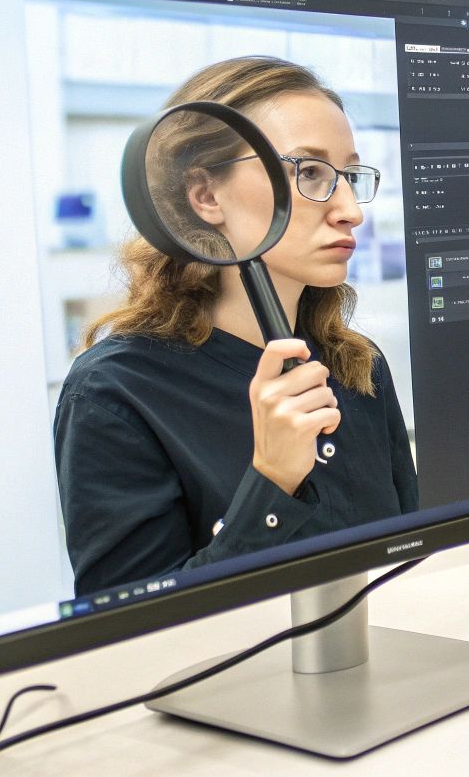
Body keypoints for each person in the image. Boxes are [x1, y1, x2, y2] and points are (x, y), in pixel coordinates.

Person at [54, 56, 418, 596]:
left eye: (348, 176)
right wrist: (271, 481)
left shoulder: (357, 364)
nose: (349, 210)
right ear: (204, 196)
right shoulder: (114, 393)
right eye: (309, 173)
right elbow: (131, 634)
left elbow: (408, 564)